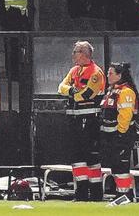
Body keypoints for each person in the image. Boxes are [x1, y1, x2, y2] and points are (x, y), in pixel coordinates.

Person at [58, 40, 105, 201]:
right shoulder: (74, 70)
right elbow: (61, 87)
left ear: (84, 54)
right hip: (74, 120)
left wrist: (71, 92)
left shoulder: (96, 72)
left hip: (90, 120)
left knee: (91, 157)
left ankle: (97, 194)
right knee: (76, 157)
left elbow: (86, 95)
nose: (73, 55)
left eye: (75, 52)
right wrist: (71, 90)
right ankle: (81, 194)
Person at [100, 62, 139, 203]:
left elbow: (125, 116)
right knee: (115, 167)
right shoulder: (112, 90)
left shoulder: (126, 91)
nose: (108, 76)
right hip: (110, 136)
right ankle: (120, 197)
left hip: (122, 136)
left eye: (111, 73)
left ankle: (124, 197)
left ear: (119, 75)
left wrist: (120, 134)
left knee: (121, 168)